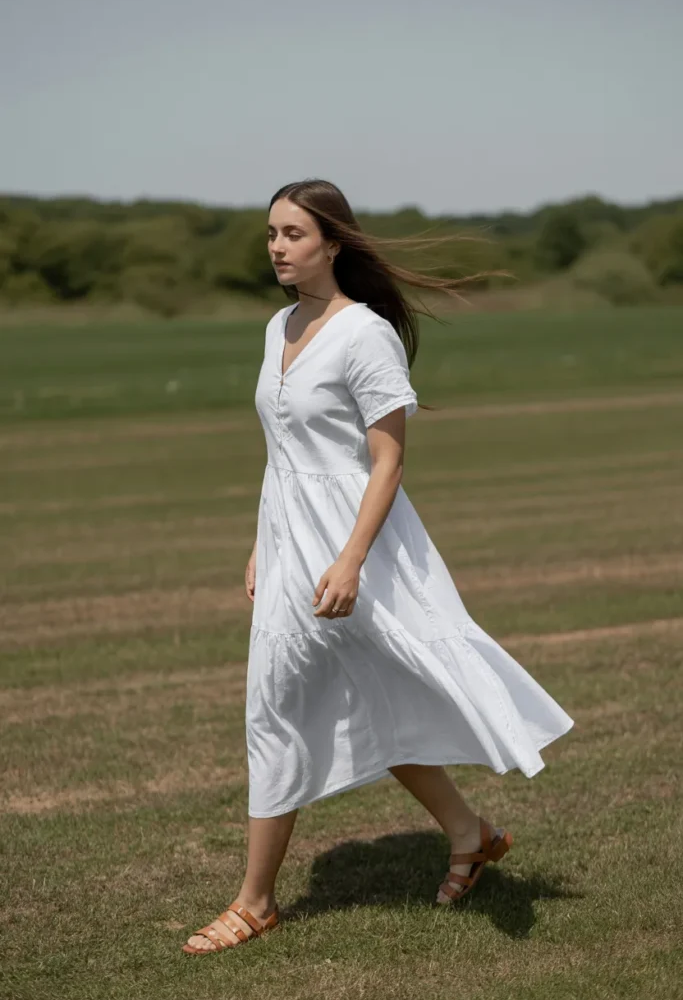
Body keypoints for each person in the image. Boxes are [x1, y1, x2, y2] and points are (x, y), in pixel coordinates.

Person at [182, 179, 573, 955]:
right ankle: (469, 834)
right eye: (270, 234)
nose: (276, 248)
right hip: (291, 547)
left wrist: (350, 561)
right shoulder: (277, 326)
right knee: (311, 701)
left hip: (350, 548)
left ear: (332, 242)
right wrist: (263, 542)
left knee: (297, 705)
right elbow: (282, 456)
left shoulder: (365, 336)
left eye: (292, 234)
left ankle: (255, 902)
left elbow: (387, 462)